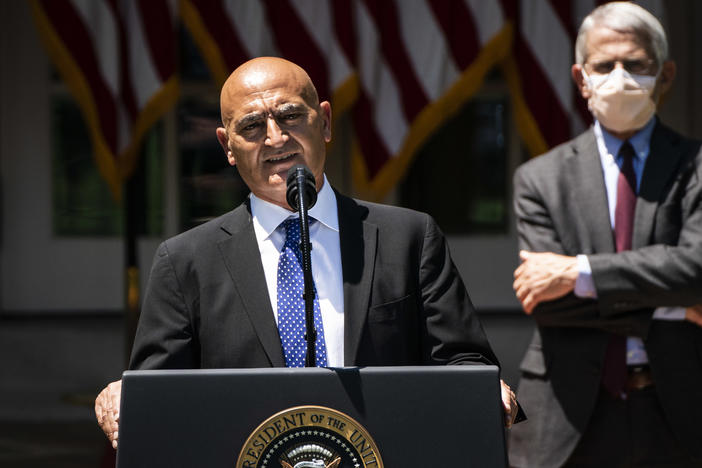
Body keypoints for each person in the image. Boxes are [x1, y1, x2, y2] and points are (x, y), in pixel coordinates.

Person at [95, 56, 519, 448]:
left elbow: (464, 362)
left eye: (291, 116)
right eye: (252, 126)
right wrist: (129, 393)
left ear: (326, 122)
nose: (276, 138)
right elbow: (160, 394)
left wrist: (483, 387)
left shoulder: (408, 237)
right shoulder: (185, 261)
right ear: (227, 145)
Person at [509, 2, 702, 467]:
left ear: (666, 74)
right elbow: (550, 306)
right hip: (569, 414)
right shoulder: (539, 178)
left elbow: (697, 270)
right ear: (581, 78)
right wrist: (674, 302)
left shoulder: (696, 165)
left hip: (679, 409)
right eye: (604, 65)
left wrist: (580, 271)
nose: (620, 77)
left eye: (636, 64)